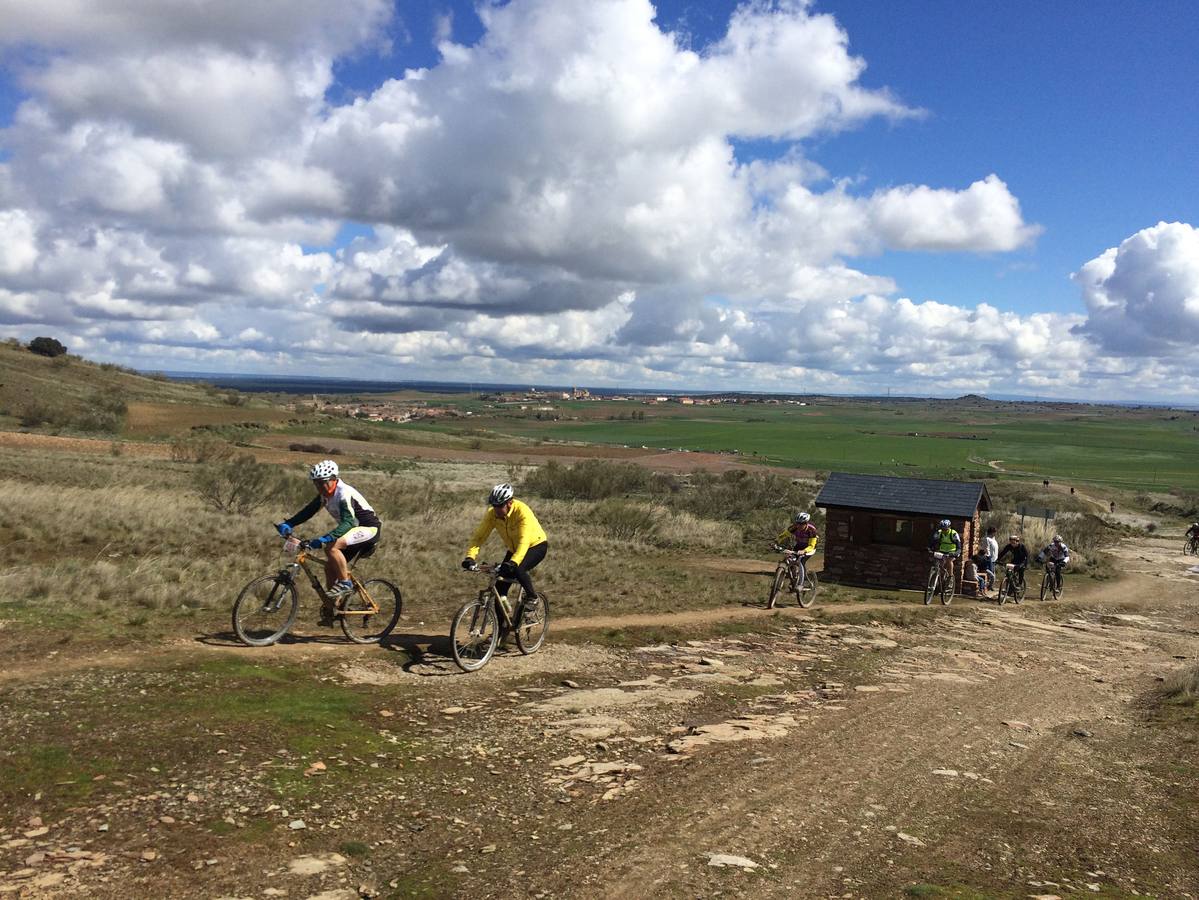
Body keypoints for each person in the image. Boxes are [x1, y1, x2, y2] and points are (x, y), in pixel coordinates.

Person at [276, 460, 380, 621]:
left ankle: (346, 584)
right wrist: (289, 523)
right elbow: (308, 511)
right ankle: (334, 606)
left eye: (322, 483)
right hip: (352, 532)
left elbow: (348, 522)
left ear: (333, 478)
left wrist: (324, 539)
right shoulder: (325, 495)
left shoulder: (343, 493)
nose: (319, 487)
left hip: (368, 529)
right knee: (330, 568)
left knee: (331, 548)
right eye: (316, 484)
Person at [461, 483, 548, 608]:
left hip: (536, 546)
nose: (496, 509)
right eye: (494, 506)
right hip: (514, 549)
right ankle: (503, 627)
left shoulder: (522, 512)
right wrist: (470, 557)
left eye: (500, 506)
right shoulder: (492, 515)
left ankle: (532, 598)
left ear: (510, 502)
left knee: (518, 569)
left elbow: (524, 541)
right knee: (499, 591)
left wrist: (513, 563)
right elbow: (479, 537)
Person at [981, 526, 999, 596]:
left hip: (994, 559)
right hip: (989, 559)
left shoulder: (993, 539)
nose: (995, 533)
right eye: (994, 532)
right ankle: (986, 587)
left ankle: (990, 586)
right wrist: (988, 557)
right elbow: (986, 549)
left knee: (993, 574)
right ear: (992, 532)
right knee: (991, 574)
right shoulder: (987, 539)